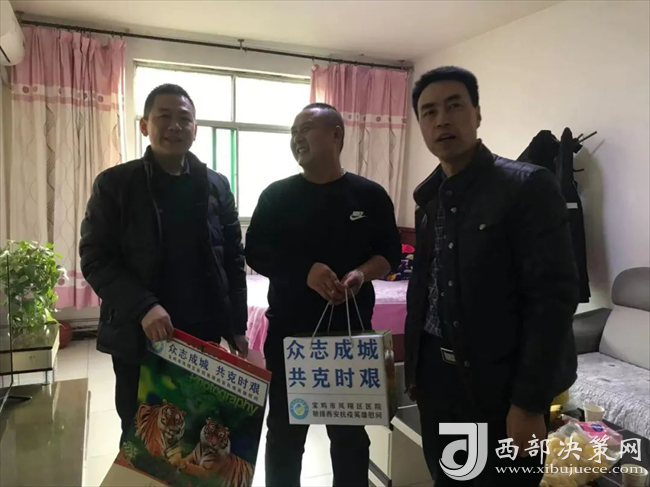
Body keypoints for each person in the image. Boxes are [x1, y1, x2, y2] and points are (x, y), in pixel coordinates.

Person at [404, 67, 578, 486]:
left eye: (454, 106)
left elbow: (552, 301)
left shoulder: (527, 186)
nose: (442, 120)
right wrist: (416, 376)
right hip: (438, 382)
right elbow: (424, 293)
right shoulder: (429, 197)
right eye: (429, 112)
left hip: (499, 385)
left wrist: (529, 403)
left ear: (477, 114)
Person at [80, 84, 249, 443]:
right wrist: (144, 307)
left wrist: (236, 324)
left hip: (200, 335)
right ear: (145, 125)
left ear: (195, 129)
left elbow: (233, 257)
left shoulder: (216, 185)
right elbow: (95, 258)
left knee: (197, 431)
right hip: (138, 334)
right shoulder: (115, 184)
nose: (175, 126)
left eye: (184, 119)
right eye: (164, 117)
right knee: (142, 436)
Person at [245, 103, 401, 487]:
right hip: (290, 337)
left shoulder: (369, 195)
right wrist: (305, 271)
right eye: (293, 132)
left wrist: (361, 275)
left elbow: (390, 253)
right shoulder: (276, 196)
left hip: (349, 338)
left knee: (349, 438)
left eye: (306, 128)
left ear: (337, 135)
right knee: (285, 434)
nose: (297, 138)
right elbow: (256, 252)